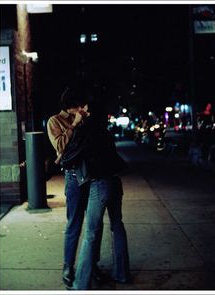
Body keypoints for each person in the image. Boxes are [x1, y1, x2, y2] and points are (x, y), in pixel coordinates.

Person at [62, 90, 131, 290]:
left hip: (99, 185)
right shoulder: (105, 130)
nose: (81, 110)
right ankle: (122, 273)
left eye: (84, 108)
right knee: (117, 226)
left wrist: (75, 128)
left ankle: (81, 284)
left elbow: (68, 158)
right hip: (115, 182)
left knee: (91, 233)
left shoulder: (84, 132)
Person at [47, 86, 105, 289]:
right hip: (73, 178)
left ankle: (90, 264)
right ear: (73, 106)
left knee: (94, 225)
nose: (82, 109)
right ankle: (68, 266)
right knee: (74, 223)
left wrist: (87, 121)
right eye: (80, 105)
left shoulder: (86, 119)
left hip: (92, 176)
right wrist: (75, 125)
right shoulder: (55, 121)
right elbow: (60, 147)